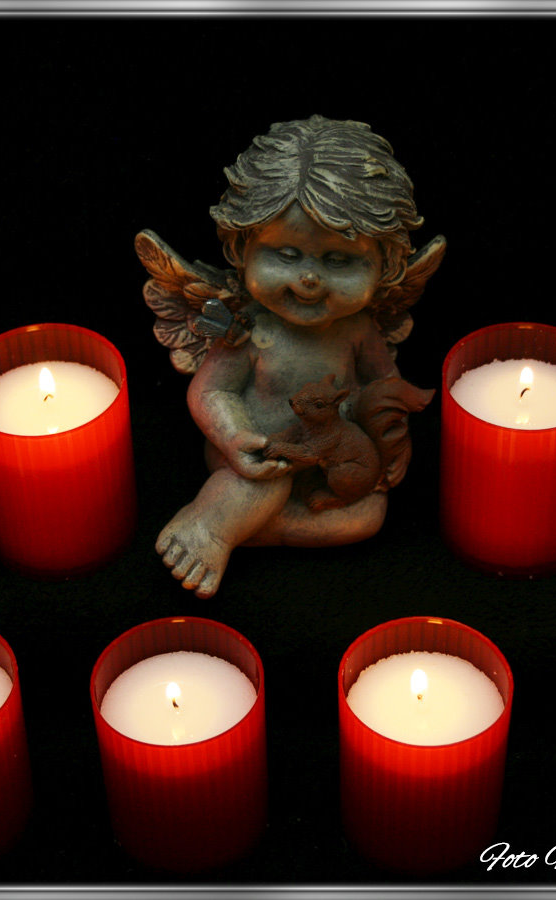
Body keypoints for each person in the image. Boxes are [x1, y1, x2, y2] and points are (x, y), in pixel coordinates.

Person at [137, 115, 445, 597]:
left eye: (339, 260)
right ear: (243, 247)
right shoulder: (247, 328)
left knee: (368, 515)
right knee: (263, 485)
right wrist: (235, 436)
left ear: (386, 264)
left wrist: (392, 443)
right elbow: (211, 389)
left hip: (333, 465)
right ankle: (210, 527)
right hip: (256, 459)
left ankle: (264, 529)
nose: (309, 279)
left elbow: (385, 390)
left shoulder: (359, 329)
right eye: (285, 254)